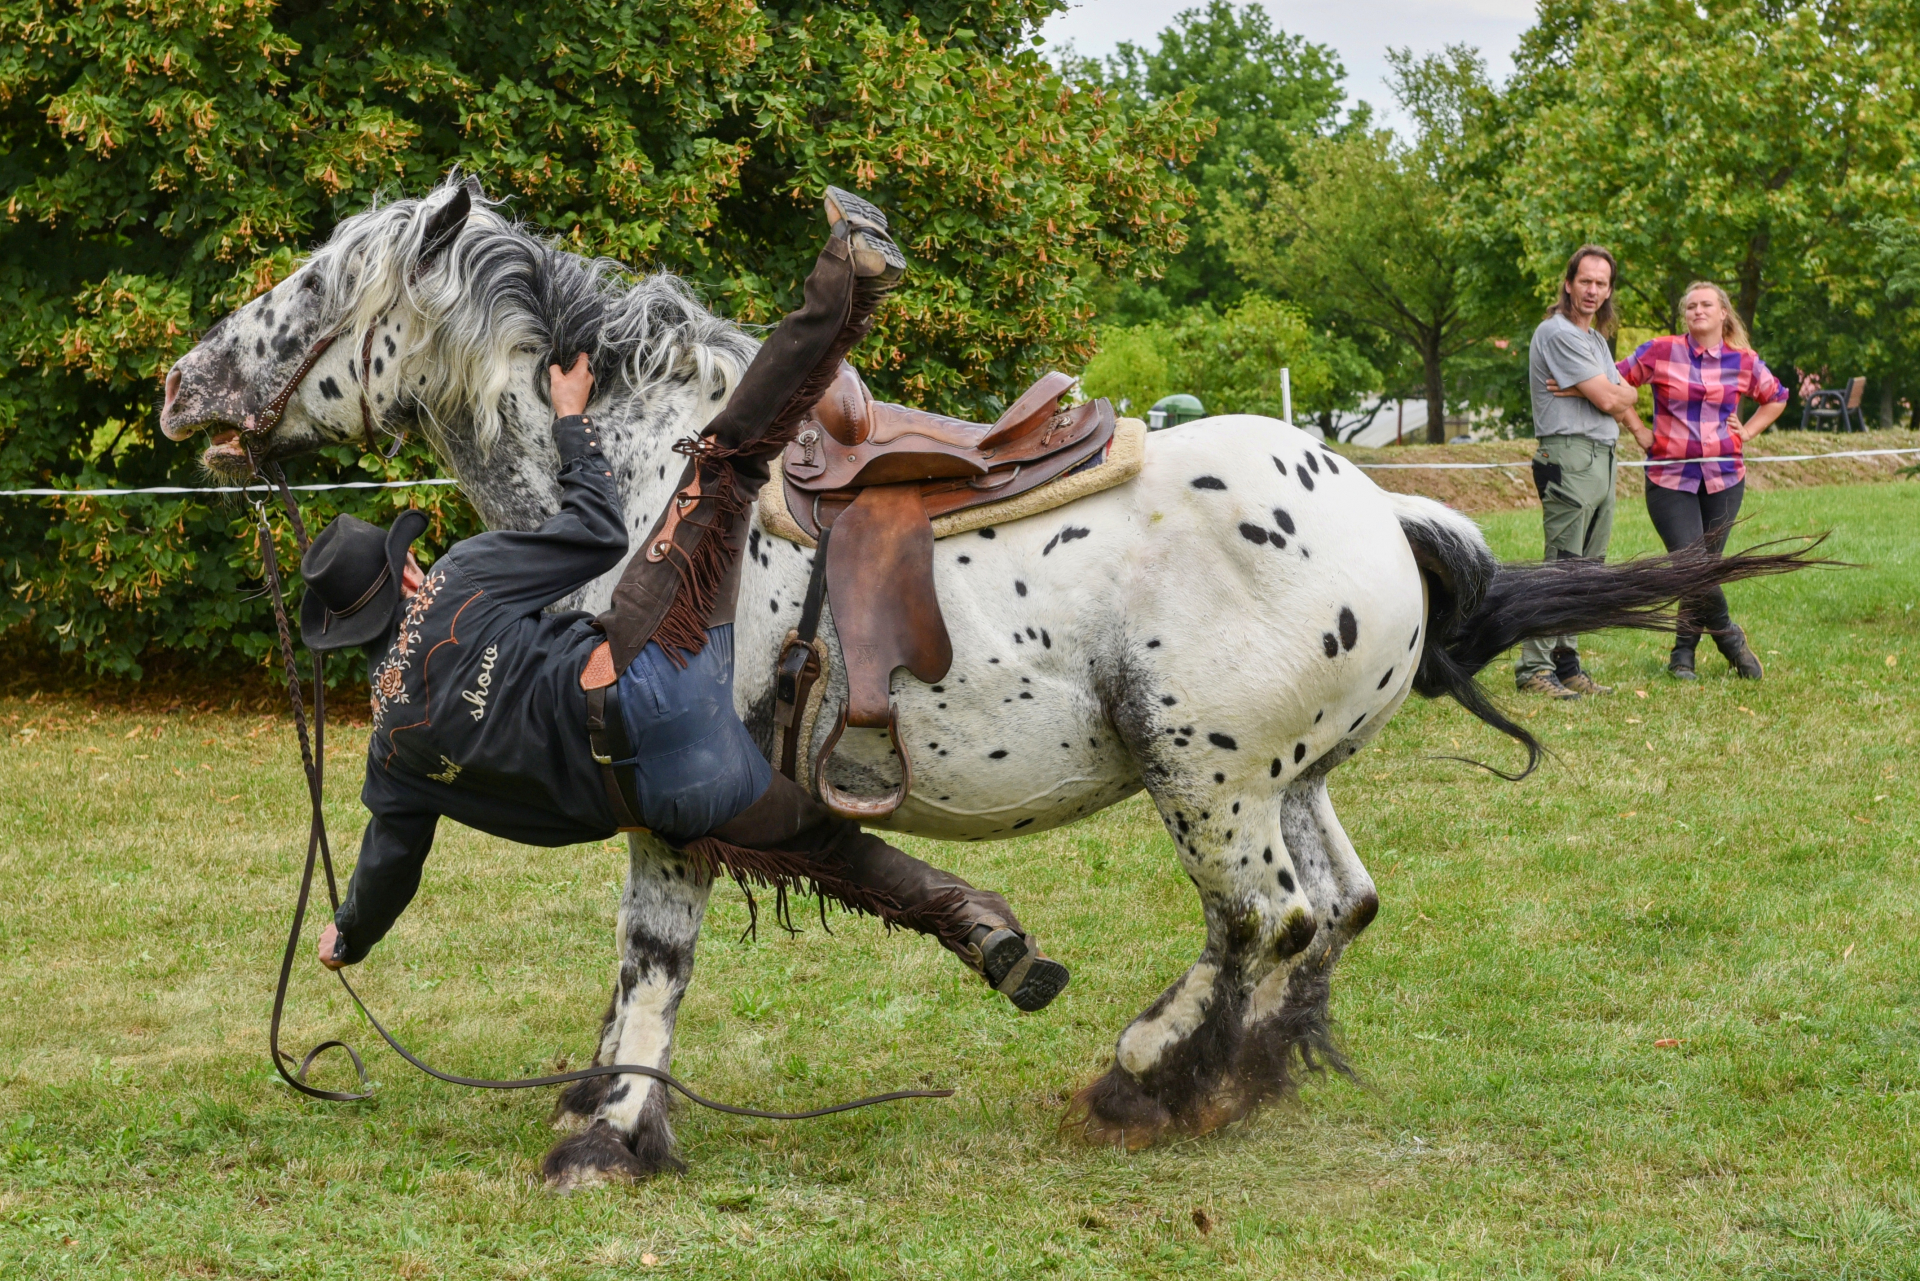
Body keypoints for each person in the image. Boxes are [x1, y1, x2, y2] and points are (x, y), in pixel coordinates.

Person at [300, 189, 1068, 1012]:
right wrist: (568, 420)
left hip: (667, 793)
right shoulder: (458, 582)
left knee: (829, 854)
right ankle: (848, 276)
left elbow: (391, 860)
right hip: (652, 665)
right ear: (406, 571)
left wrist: (350, 932)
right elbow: (595, 533)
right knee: (731, 451)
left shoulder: (395, 757)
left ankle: (975, 925)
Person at [1614, 281, 1787, 679]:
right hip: (1669, 476)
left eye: (1706, 304)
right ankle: (1731, 641)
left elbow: (1776, 396)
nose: (1697, 311)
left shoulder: (1743, 360)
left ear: (1723, 312)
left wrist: (1747, 432)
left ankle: (1682, 655)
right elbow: (1617, 382)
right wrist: (1639, 430)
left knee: (1704, 568)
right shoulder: (1660, 350)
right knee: (1690, 564)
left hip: (1725, 477)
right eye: (1690, 306)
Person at [1518, 244, 1640, 698]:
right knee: (1562, 566)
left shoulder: (1595, 340)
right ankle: (1533, 669)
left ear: (1609, 291)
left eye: (1601, 283)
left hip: (1602, 457)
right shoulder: (1558, 333)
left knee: (1587, 571)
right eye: (1585, 281)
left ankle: (1566, 665)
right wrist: (1603, 393)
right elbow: (1614, 399)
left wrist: (1598, 392)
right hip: (1569, 456)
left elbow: (1624, 393)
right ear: (1568, 283)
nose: (1592, 290)